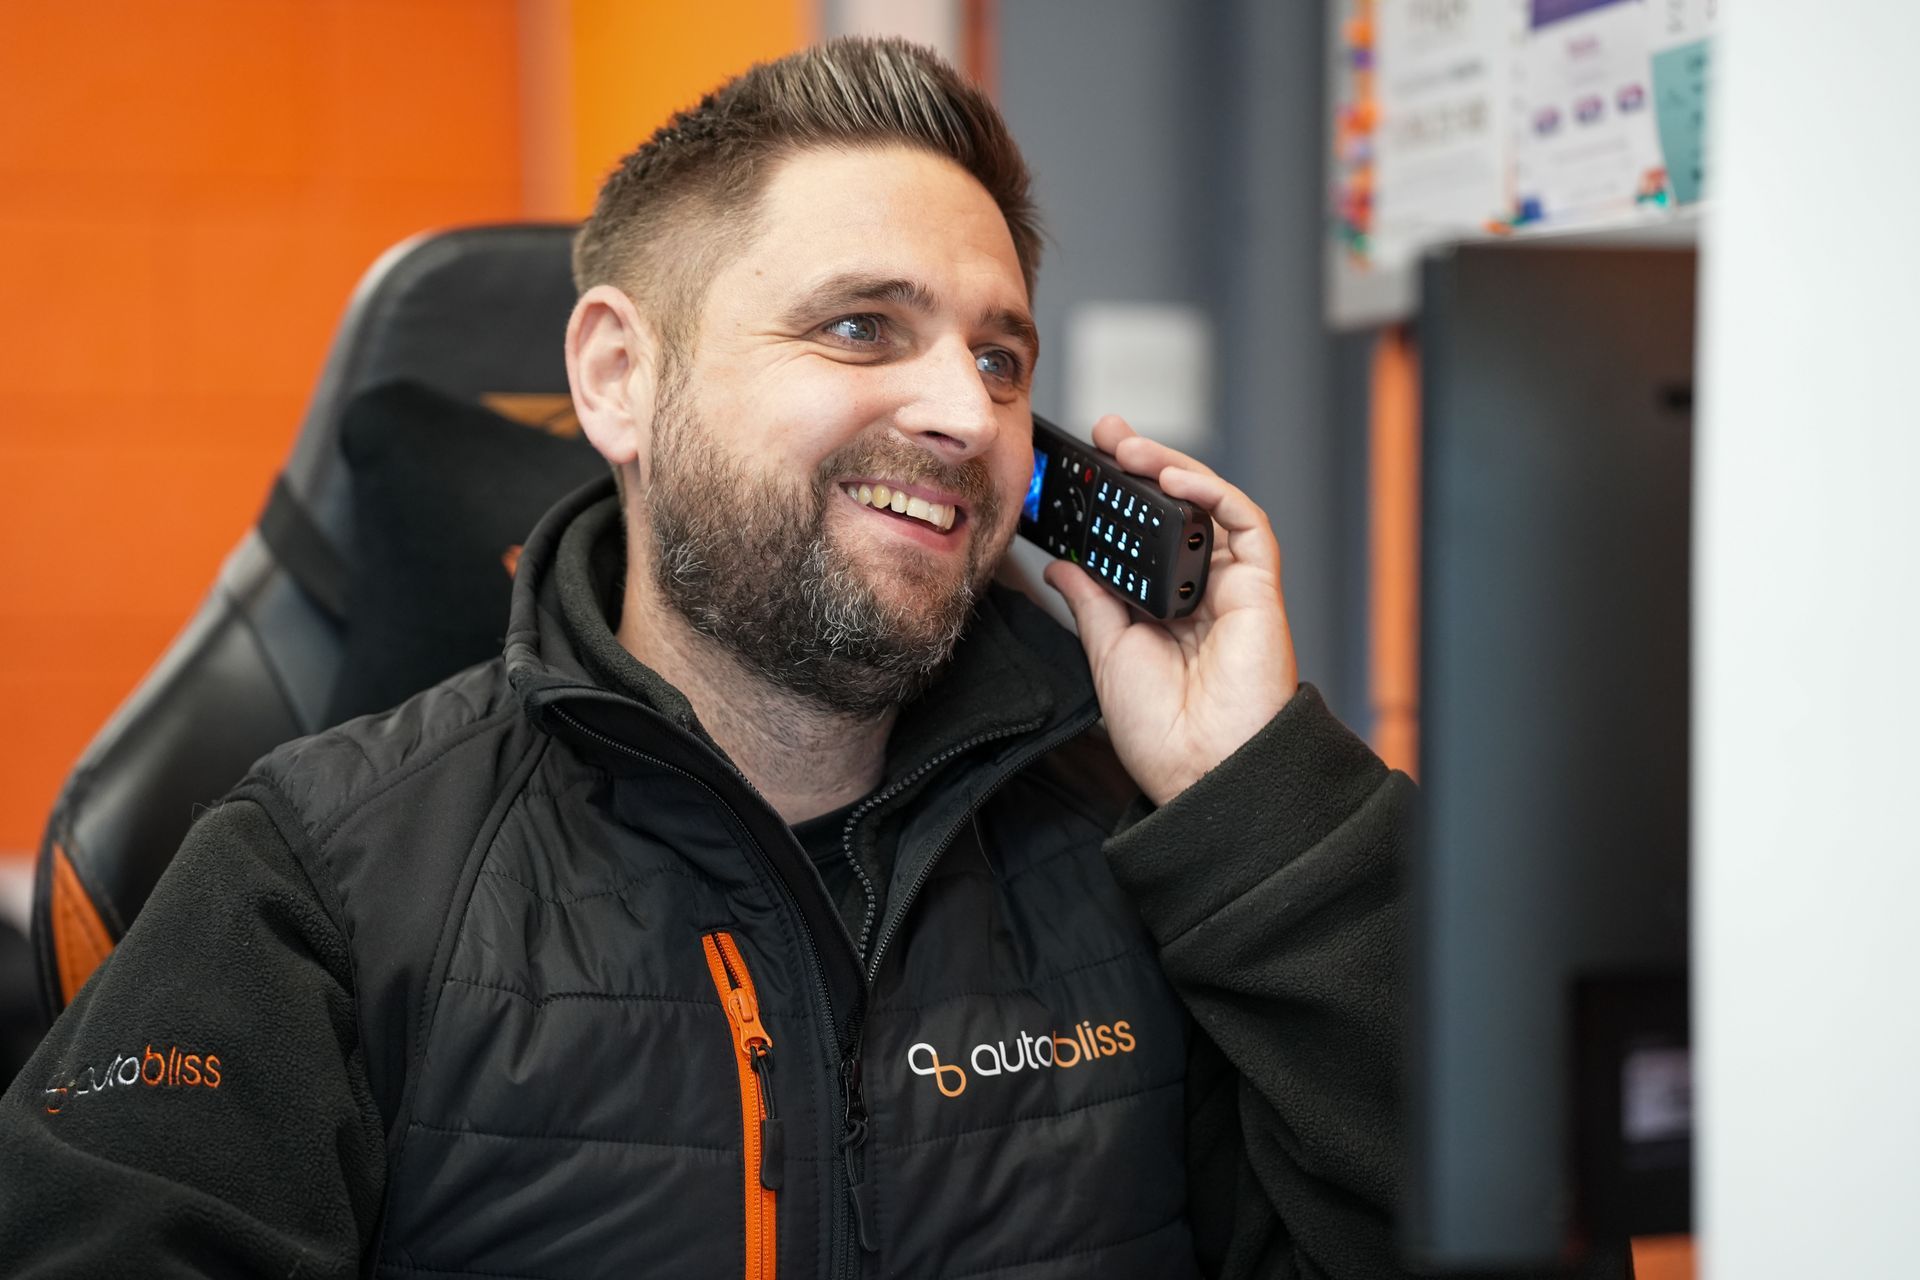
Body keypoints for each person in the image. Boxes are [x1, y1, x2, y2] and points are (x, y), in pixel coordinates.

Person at [0, 38, 1619, 1280]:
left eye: (1000, 354)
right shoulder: (317, 876)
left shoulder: (1150, 849)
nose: (964, 413)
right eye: (862, 328)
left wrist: (1265, 799)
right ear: (619, 382)